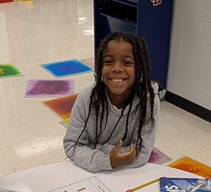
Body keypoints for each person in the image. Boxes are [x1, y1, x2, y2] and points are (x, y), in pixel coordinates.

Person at [63, 32, 159, 172]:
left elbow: (142, 153)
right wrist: (107, 160)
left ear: (139, 68)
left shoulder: (149, 101)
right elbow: (72, 146)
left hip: (127, 173)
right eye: (108, 62)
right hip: (87, 171)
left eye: (127, 62)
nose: (117, 69)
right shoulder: (86, 99)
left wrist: (94, 148)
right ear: (100, 67)